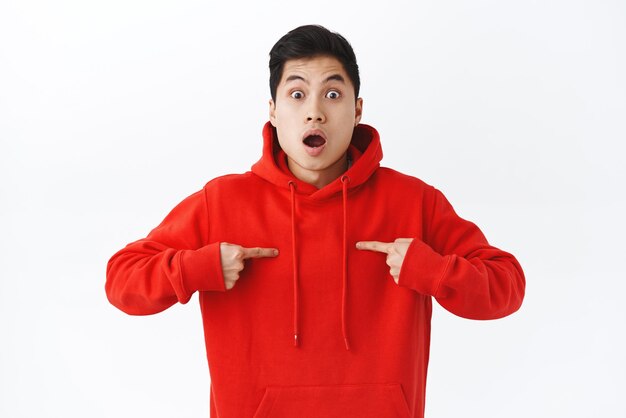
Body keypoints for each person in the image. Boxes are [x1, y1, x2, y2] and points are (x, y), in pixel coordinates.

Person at [106, 24, 525, 418]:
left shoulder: (415, 202)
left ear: (358, 109)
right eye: (296, 95)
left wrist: (432, 272)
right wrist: (198, 267)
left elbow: (506, 284)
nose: (314, 113)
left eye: (332, 95)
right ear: (272, 111)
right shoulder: (221, 202)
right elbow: (122, 280)